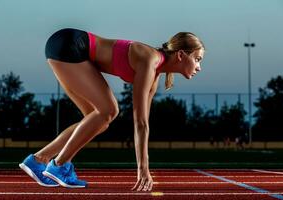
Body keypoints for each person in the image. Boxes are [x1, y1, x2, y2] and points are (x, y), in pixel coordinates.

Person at [19, 28, 205, 191]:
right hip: (70, 44)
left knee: (95, 120)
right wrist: (143, 169)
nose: (199, 67)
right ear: (181, 55)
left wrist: (143, 167)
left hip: (64, 45)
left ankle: (38, 160)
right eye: (197, 59)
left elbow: (143, 123)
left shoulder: (154, 74)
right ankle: (59, 165)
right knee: (109, 111)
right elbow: (139, 123)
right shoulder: (150, 60)